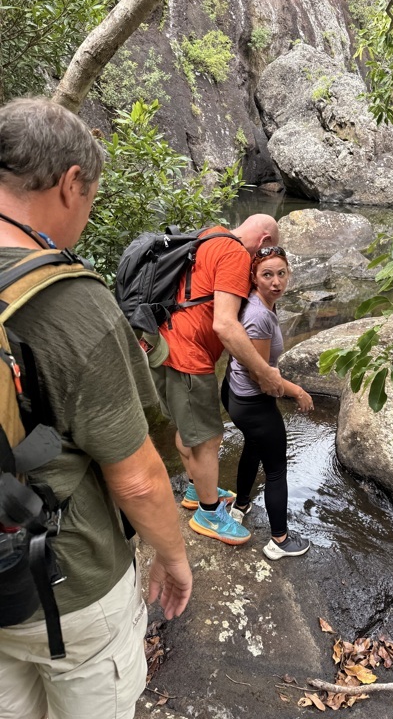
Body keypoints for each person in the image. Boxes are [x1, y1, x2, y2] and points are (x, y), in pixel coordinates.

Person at [0, 97, 192, 719]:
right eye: (90, 198)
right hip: (67, 587)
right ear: (70, 182)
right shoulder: (68, 301)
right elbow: (135, 476)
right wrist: (172, 557)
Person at [151, 214, 284, 547]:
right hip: (188, 355)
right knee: (209, 438)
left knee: (190, 428)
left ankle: (198, 489)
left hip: (162, 343)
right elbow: (225, 325)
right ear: (265, 239)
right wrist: (263, 371)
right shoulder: (236, 254)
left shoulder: (212, 234)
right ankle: (208, 513)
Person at [221, 246, 313, 560]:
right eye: (267, 275)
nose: (276, 282)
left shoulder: (258, 302)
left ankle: (241, 505)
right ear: (254, 277)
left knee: (253, 446)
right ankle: (280, 540)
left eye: (281, 274)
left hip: (237, 396)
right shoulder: (259, 315)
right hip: (254, 403)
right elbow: (263, 376)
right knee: (276, 472)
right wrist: (298, 391)